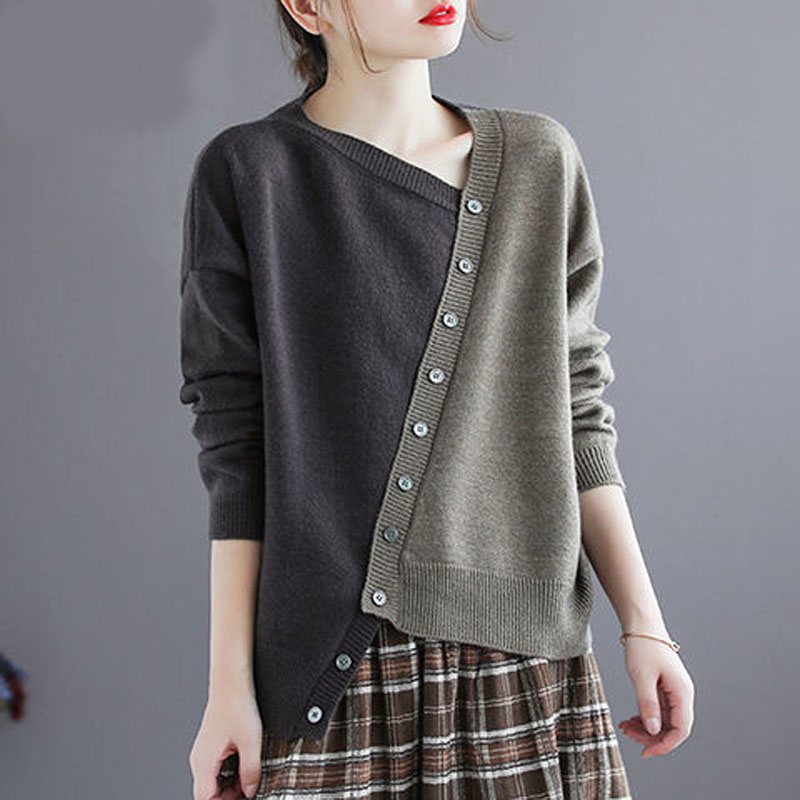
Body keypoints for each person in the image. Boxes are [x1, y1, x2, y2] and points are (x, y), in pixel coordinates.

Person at [179, 1, 696, 798]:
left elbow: (578, 411)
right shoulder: (253, 173)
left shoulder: (538, 161)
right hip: (335, 674)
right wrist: (228, 689)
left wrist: (645, 624)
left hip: (520, 669)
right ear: (308, 6)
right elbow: (236, 450)